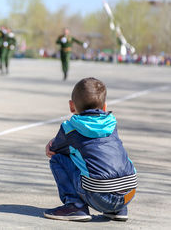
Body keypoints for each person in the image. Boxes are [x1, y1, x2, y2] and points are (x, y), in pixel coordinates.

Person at [44, 77, 137, 222]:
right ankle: (118, 210)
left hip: (98, 195)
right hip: (128, 194)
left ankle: (75, 205)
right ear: (105, 107)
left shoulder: (70, 127)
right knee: (106, 160)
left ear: (71, 106)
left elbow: (55, 149)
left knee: (58, 159)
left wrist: (51, 143)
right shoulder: (112, 123)